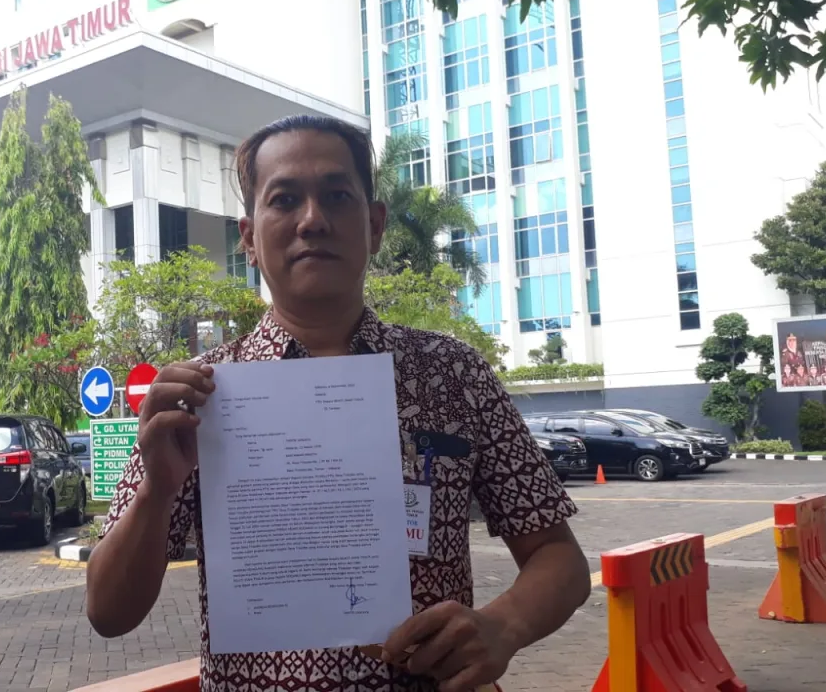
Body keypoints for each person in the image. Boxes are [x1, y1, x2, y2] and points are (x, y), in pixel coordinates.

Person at [85, 115, 591, 692]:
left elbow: (559, 557)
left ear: (374, 225)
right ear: (249, 238)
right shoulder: (200, 397)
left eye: (336, 195)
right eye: (284, 199)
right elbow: (108, 611)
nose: (312, 220)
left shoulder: (454, 374)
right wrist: (157, 490)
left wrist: (504, 625)